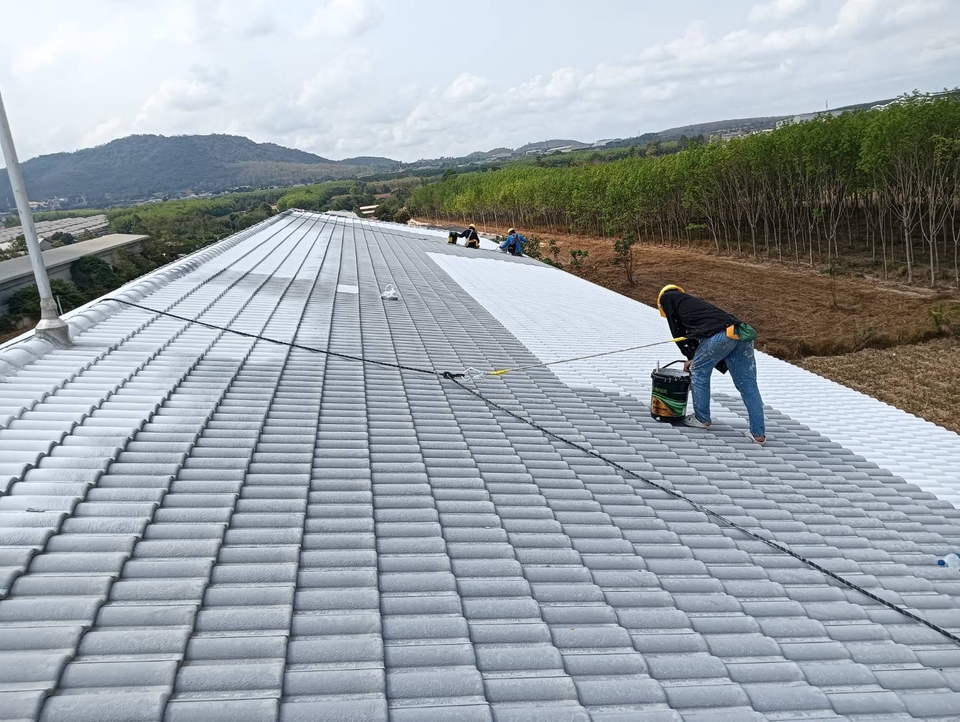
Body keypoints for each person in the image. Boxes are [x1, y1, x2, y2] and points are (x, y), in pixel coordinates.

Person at [657, 284, 766, 444]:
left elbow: (678, 332)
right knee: (748, 384)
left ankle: (702, 418)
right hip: (741, 333)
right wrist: (693, 357)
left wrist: (691, 357)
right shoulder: (693, 305)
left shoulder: (667, 299)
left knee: (698, 371)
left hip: (721, 336)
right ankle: (758, 434)